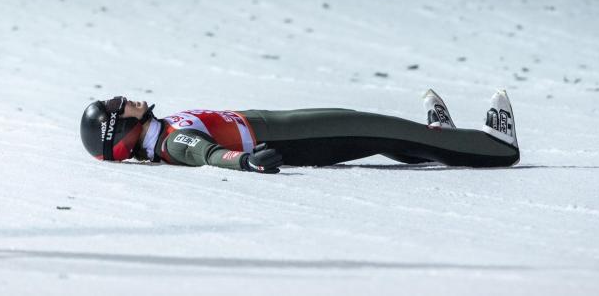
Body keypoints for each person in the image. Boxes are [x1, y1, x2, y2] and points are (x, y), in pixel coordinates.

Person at [79, 89, 520, 172]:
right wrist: (246, 161)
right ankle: (495, 148)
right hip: (291, 138)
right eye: (118, 106)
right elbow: (207, 154)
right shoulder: (172, 142)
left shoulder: (161, 131)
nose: (126, 99)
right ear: (119, 130)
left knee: (377, 133)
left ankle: (440, 139)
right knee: (374, 127)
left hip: (280, 124)